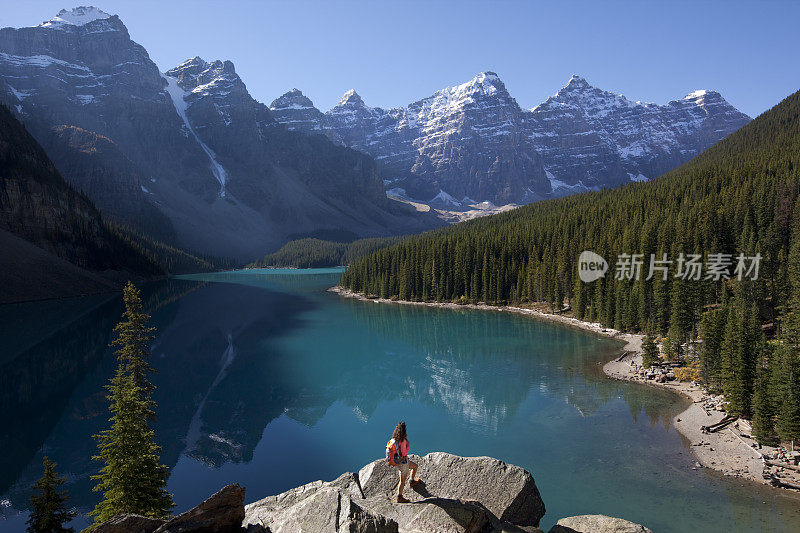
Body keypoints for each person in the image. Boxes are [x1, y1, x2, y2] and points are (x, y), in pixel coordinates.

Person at [385, 421, 420, 503]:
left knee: (415, 466)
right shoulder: (402, 441)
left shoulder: (393, 439)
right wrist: (408, 445)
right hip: (403, 463)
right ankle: (399, 497)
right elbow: (404, 453)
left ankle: (412, 481)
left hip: (398, 462)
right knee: (402, 481)